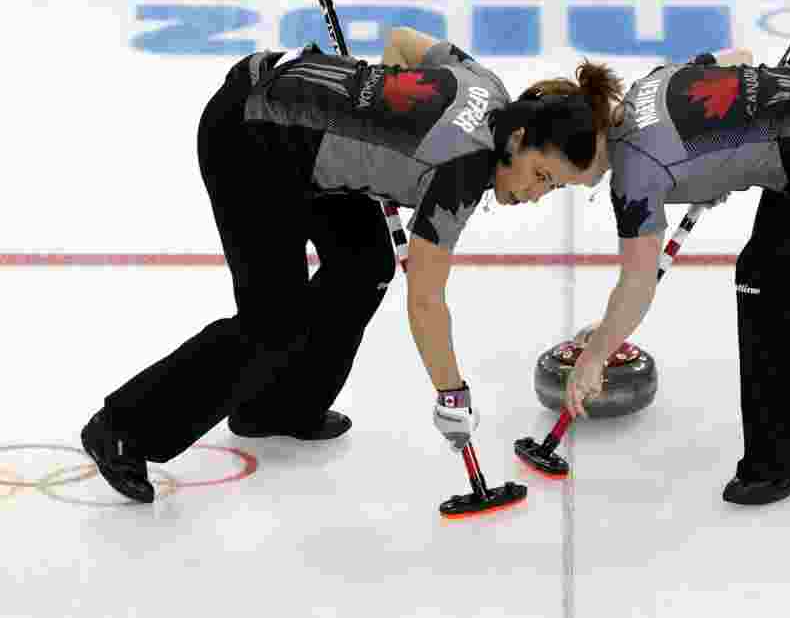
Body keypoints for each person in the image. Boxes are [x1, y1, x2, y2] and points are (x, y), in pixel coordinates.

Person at [80, 27, 622, 503]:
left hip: (314, 146)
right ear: (521, 139)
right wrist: (451, 394)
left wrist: (382, 115)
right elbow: (428, 301)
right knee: (274, 323)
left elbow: (404, 40)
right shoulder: (461, 172)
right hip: (250, 138)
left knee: (363, 263)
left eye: (551, 188)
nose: (535, 194)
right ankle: (124, 427)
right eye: (541, 175)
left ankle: (278, 407)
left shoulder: (484, 84)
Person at [527, 49, 790, 505]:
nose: (552, 184)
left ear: (581, 149)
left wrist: (596, 356)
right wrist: (719, 157)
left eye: (550, 173)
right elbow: (738, 59)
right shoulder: (652, 82)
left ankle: (777, 462)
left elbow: (637, 282)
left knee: (763, 275)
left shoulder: (635, 176)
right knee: (780, 255)